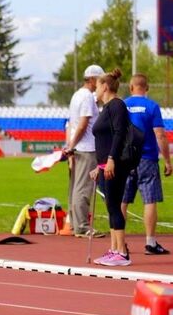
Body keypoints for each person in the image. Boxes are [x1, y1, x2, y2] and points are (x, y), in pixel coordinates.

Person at [121, 74, 172, 255]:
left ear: (131, 87)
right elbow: (160, 135)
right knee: (150, 200)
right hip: (147, 158)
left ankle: (119, 243)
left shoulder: (122, 105)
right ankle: (150, 242)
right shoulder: (152, 106)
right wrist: (167, 160)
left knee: (122, 200)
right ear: (147, 88)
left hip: (126, 159)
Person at [90, 68, 132, 266]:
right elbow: (105, 138)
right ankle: (114, 249)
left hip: (114, 164)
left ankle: (122, 252)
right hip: (104, 165)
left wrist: (111, 159)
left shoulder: (117, 105)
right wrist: (98, 167)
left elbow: (119, 133)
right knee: (111, 206)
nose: (95, 91)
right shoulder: (106, 108)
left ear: (105, 86)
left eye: (97, 86)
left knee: (114, 205)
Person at [64, 64, 105, 238]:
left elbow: (73, 124)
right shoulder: (87, 97)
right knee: (83, 188)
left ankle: (75, 224)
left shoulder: (77, 95)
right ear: (93, 79)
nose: (102, 83)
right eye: (100, 80)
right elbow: (82, 125)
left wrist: (70, 145)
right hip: (86, 148)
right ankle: (82, 226)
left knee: (75, 187)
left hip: (79, 147)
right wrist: (72, 145)